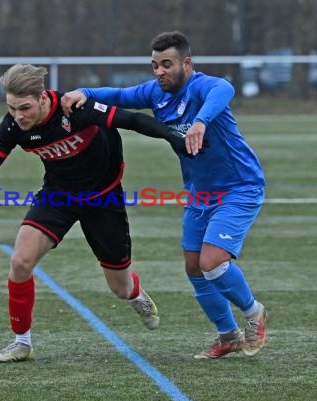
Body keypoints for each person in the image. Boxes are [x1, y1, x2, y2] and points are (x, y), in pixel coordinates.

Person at [61, 31, 267, 359]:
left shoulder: (200, 86)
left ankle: (254, 312)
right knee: (194, 268)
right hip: (200, 193)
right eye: (155, 65)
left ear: (187, 63)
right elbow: (118, 94)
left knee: (212, 262)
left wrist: (200, 122)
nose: (159, 72)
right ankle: (228, 335)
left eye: (166, 64)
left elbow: (224, 87)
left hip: (238, 187)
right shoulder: (156, 94)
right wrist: (83, 92)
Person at [0, 63, 186, 362]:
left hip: (103, 198)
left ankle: (136, 295)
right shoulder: (12, 126)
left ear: (42, 98)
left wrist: (175, 137)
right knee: (20, 261)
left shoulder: (76, 109)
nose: (18, 115)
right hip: (59, 195)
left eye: (24, 107)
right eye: (12, 107)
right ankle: (22, 343)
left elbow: (131, 120)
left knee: (119, 287)